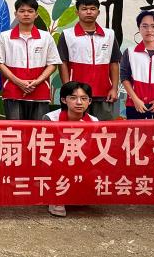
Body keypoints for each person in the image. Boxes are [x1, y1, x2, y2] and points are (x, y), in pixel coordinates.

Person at [0, 0, 61, 121]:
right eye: (22, 11)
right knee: (15, 129)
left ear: (36, 15)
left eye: (30, 11)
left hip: (40, 91)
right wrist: (18, 82)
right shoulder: (4, 37)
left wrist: (38, 81)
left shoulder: (46, 37)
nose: (26, 14)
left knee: (39, 129)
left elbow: (53, 64)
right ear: (16, 14)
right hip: (13, 91)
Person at [41, 81, 100, 217]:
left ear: (89, 102)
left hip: (82, 161)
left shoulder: (94, 121)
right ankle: (56, 199)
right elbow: (45, 149)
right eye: (73, 98)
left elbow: (95, 150)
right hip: (56, 162)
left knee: (97, 173)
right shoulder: (50, 119)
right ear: (63, 100)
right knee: (54, 166)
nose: (79, 102)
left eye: (84, 98)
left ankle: (79, 194)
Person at [57, 0, 121, 120]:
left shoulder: (109, 35)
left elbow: (114, 62)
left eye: (92, 9)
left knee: (103, 128)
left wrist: (114, 88)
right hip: (77, 94)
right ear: (77, 12)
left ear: (98, 12)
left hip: (104, 92)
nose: (89, 12)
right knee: (77, 128)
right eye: (84, 9)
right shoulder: (67, 34)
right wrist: (67, 89)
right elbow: (62, 62)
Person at [121, 11, 154, 119]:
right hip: (135, 104)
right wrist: (135, 100)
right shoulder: (130, 52)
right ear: (139, 28)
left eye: (153, 26)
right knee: (136, 130)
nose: (149, 30)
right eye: (145, 26)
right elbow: (124, 77)